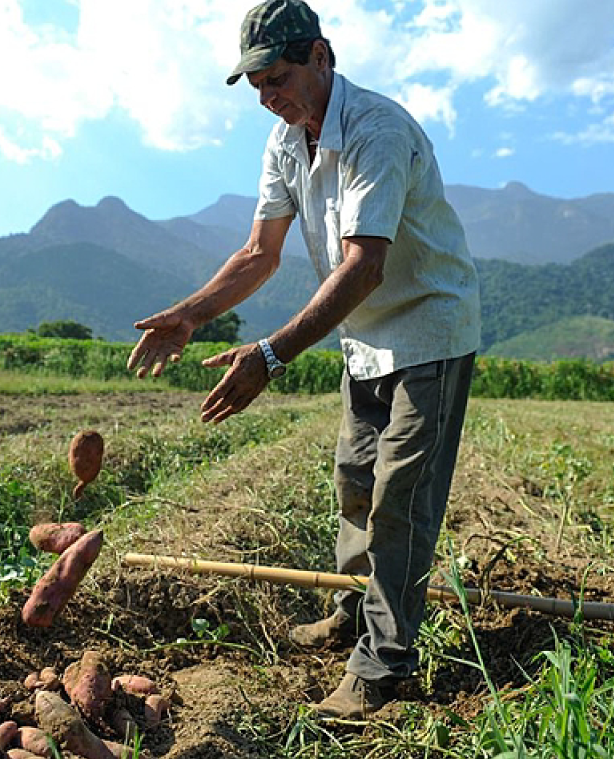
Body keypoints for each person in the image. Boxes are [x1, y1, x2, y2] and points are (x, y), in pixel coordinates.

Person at [127, 0, 480, 720]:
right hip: (364, 339)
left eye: (277, 76)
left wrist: (270, 355)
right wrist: (192, 313)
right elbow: (260, 252)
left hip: (429, 331)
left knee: (401, 500)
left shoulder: (377, 131)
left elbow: (364, 268)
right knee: (356, 481)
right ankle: (357, 610)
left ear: (321, 56)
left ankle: (383, 665)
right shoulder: (289, 140)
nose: (266, 97)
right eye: (255, 85)